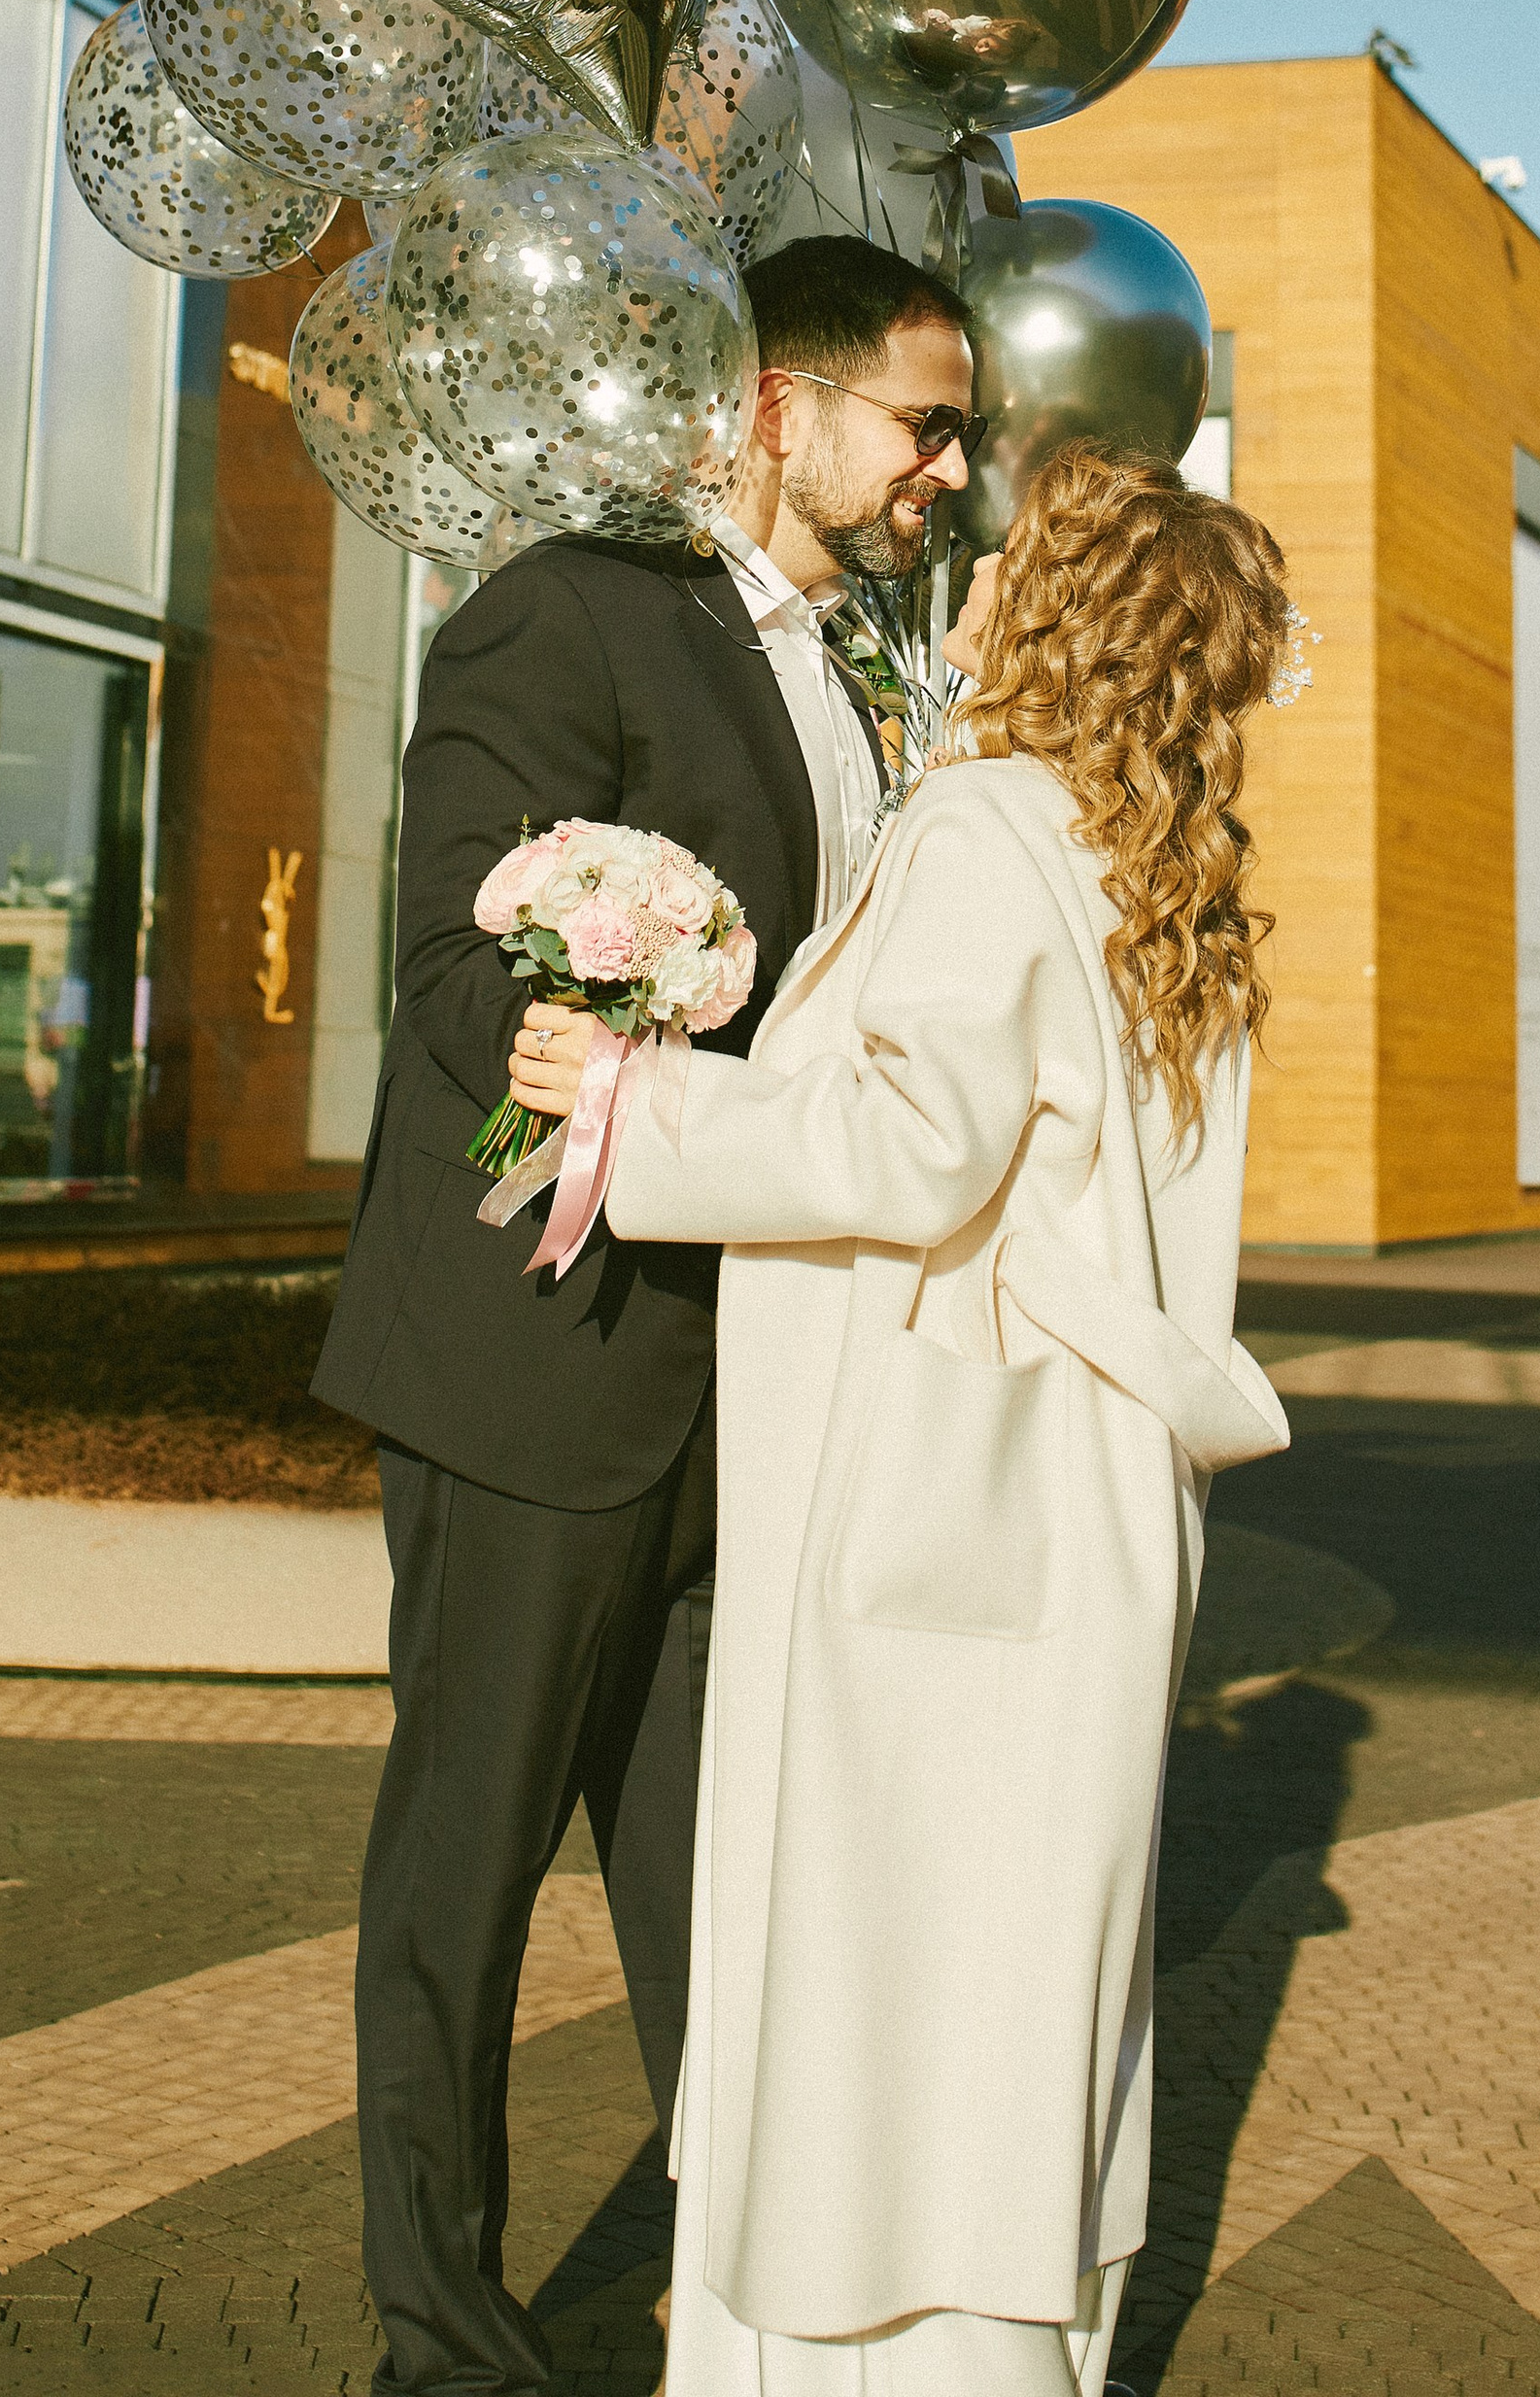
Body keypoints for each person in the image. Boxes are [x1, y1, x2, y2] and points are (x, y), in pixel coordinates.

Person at [507, 441, 1298, 2397]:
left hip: (938, 1517)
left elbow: (907, 1138)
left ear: (1055, 614)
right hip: (1089, 1504)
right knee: (1018, 1994)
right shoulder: (1168, 876)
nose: (964, 581)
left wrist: (626, 1099)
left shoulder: (987, 830)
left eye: (1004, 563)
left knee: (888, 1992)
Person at [312, 235, 982, 2397]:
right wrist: (548, 1024)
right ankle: (443, 2337)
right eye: (923, 422)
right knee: (467, 1876)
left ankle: (761, 2304)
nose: (945, 474)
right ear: (779, 409)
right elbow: (439, 951)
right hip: (540, 1362)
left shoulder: (876, 669)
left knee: (726, 1884)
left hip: (749, 1383)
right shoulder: (570, 606)